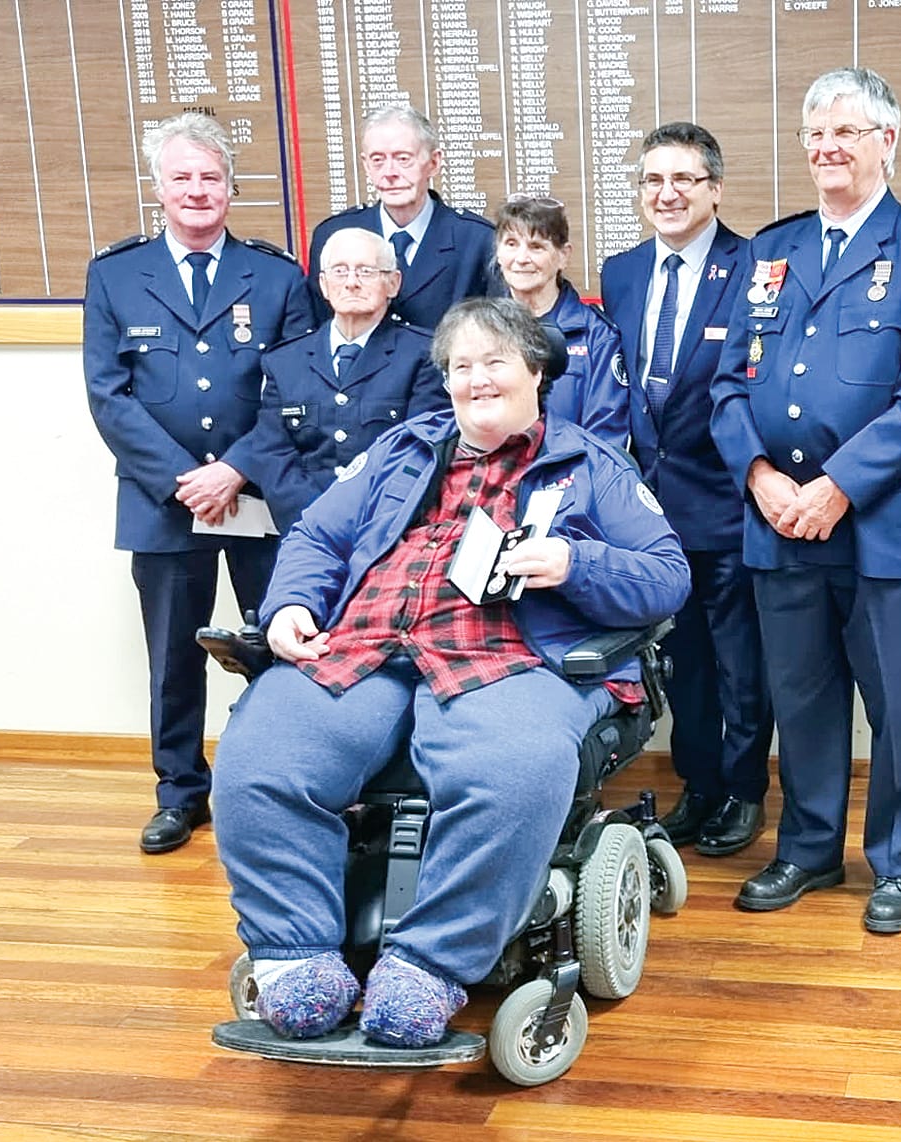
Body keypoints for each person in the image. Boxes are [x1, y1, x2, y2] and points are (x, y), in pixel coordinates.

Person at [211, 297, 689, 1048]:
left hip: (505, 659)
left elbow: (667, 577)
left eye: (494, 361)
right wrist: (290, 605)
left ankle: (428, 966)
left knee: (512, 769)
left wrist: (575, 561)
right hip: (364, 645)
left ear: (537, 370)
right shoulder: (400, 449)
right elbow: (317, 535)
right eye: (461, 366)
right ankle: (296, 955)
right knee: (258, 760)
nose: (476, 379)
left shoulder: (593, 464)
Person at [710, 67, 901, 934]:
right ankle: (811, 847)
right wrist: (762, 479)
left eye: (846, 133)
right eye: (815, 134)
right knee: (803, 691)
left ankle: (900, 862)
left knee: (899, 694)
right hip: (778, 517)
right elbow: (725, 387)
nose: (827, 148)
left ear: (886, 142)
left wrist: (837, 487)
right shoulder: (769, 252)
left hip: (874, 519)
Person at [83, 112, 312, 855]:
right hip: (165, 501)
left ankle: (281, 783)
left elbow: (297, 389)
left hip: (257, 493)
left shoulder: (277, 277)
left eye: (210, 177)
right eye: (182, 176)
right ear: (158, 188)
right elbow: (107, 395)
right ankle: (181, 794)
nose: (197, 190)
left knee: (277, 643)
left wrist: (235, 469)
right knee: (173, 655)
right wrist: (187, 482)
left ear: (231, 187)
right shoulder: (115, 275)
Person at [600, 123, 773, 856]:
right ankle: (699, 788)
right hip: (654, 512)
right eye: (652, 182)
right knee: (685, 664)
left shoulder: (759, 264)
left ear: (715, 189)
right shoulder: (623, 272)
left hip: (731, 501)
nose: (666, 194)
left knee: (742, 665)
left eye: (684, 180)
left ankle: (742, 792)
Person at [239, 227, 447, 533]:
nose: (351, 282)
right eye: (340, 271)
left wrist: (370, 522)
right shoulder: (284, 362)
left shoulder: (424, 354)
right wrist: (317, 520)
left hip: (390, 531)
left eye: (366, 271)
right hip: (307, 530)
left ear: (393, 282)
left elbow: (421, 450)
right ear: (323, 284)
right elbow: (273, 455)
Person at [306, 104, 495, 331]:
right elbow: (321, 332)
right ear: (366, 165)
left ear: (434, 163)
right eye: (378, 160)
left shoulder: (477, 240)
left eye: (403, 159)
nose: (390, 173)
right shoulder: (335, 235)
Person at [493, 195, 630, 449]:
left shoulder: (596, 336)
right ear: (498, 252)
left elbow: (606, 440)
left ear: (563, 256)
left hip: (572, 481)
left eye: (536, 247)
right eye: (511, 243)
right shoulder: (480, 333)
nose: (521, 258)